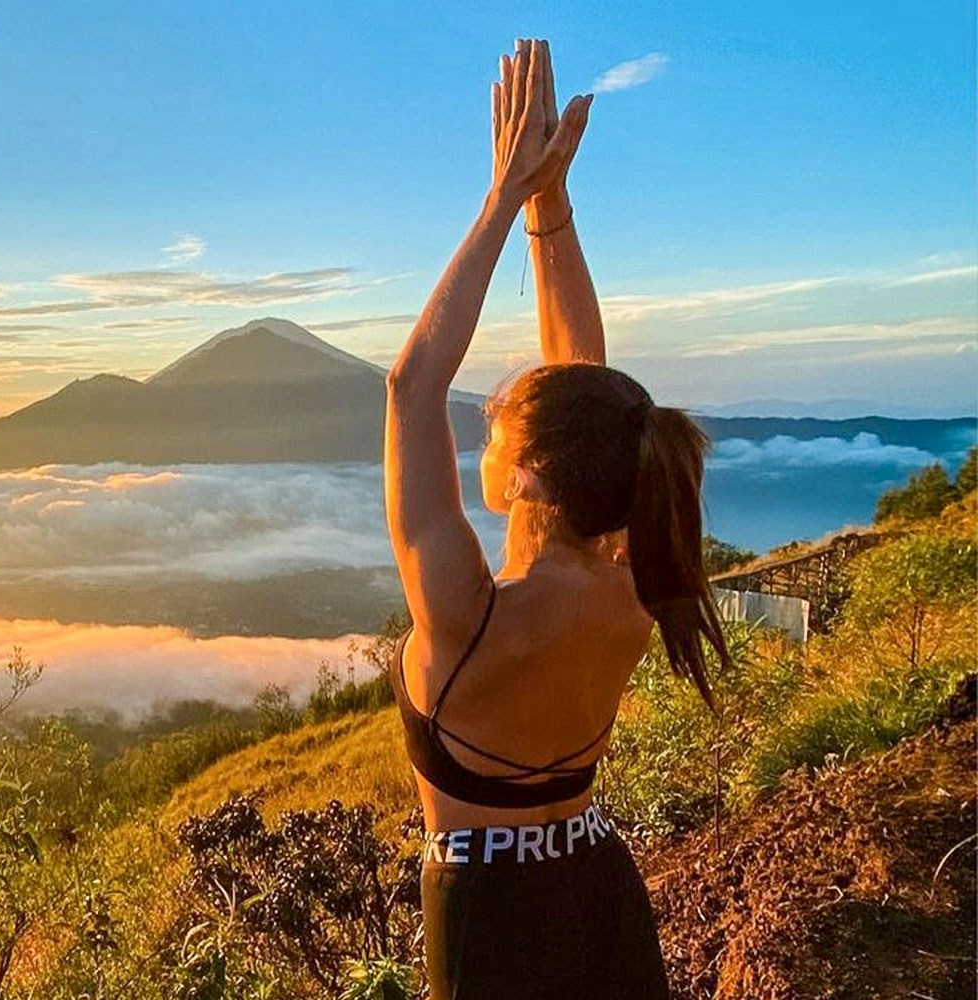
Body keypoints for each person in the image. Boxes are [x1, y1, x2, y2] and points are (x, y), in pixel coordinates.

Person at [383, 38, 734, 998]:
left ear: (531, 479)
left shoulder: (466, 619)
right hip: (599, 886)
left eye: (496, 428)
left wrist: (504, 195)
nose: (482, 434)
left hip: (489, 920)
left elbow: (413, 388)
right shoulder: (632, 578)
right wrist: (551, 204)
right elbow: (593, 393)